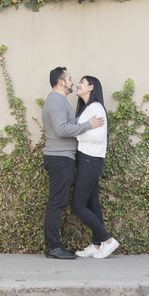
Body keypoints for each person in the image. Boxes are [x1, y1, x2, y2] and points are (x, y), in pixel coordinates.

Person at [42, 66, 104, 259]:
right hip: (59, 158)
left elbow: (65, 128)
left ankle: (54, 246)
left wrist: (76, 127)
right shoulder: (56, 100)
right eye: (69, 78)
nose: (72, 82)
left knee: (58, 202)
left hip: (63, 157)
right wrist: (87, 125)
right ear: (61, 81)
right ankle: (53, 247)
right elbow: (61, 130)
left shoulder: (59, 101)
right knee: (56, 203)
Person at [72, 75, 119, 259]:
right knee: (93, 204)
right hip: (88, 159)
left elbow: (99, 137)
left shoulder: (96, 108)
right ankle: (98, 245)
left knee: (78, 205)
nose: (78, 84)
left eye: (82, 83)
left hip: (91, 160)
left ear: (91, 87)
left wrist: (76, 134)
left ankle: (108, 240)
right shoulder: (87, 108)